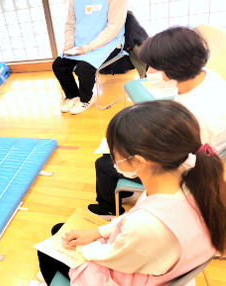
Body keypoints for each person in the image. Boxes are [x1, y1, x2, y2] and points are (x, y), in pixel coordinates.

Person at [29, 100, 226, 286]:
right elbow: (137, 216)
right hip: (164, 268)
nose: (112, 158)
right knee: (65, 232)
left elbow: (113, 257)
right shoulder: (191, 171)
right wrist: (98, 233)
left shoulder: (149, 225)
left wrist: (89, 247)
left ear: (140, 162)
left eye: (115, 153)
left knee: (53, 245)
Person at [88, 26, 226, 218]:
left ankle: (107, 208)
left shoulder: (196, 115)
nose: (148, 72)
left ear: (170, 71)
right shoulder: (208, 76)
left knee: (103, 164)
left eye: (152, 66)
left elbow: (174, 163)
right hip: (196, 151)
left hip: (185, 170)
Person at [54, 0, 127, 115]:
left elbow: (114, 27)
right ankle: (73, 96)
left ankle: (86, 99)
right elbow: (70, 24)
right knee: (59, 65)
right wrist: (69, 42)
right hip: (81, 43)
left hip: (109, 43)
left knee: (84, 68)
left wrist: (89, 47)